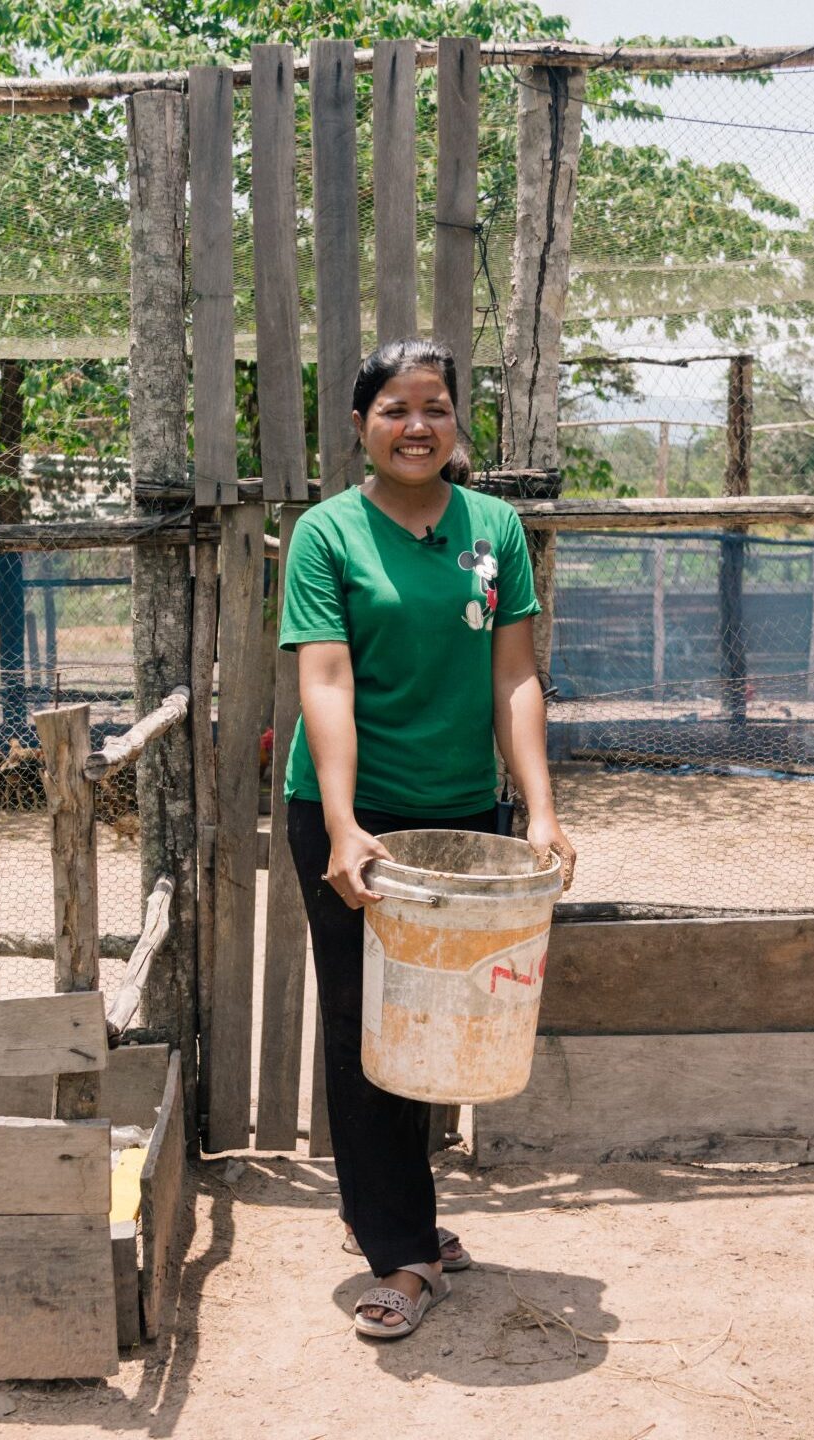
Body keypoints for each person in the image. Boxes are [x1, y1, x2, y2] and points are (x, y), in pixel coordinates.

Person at [278, 337, 577, 1341]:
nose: (417, 425)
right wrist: (347, 821)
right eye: (395, 409)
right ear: (361, 425)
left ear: (456, 424)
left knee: (442, 1023)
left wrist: (536, 807)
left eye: (435, 408)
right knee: (367, 1024)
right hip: (350, 821)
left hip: (463, 819)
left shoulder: (492, 528)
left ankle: (390, 1209)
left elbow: (514, 676)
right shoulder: (328, 534)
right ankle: (403, 1254)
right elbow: (325, 679)